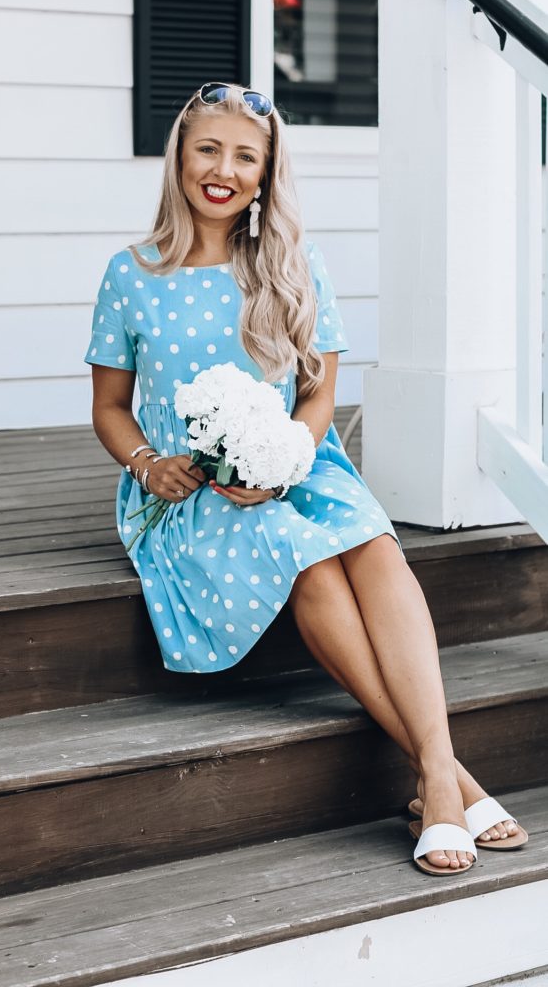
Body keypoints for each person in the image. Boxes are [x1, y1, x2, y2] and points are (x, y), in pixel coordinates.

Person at [85, 81, 528, 875]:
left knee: (374, 544)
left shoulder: (291, 263)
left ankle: (434, 777)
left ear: (265, 173)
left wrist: (286, 454)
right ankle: (447, 775)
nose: (223, 169)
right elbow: (111, 408)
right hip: (188, 491)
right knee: (311, 562)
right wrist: (148, 466)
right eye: (208, 150)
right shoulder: (132, 273)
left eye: (244, 157)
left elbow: (318, 392)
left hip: (297, 460)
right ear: (180, 157)